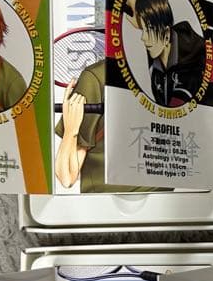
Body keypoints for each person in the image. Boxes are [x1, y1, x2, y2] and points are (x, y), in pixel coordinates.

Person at [54, 59, 156, 193]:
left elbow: (66, 177)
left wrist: (70, 129)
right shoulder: (97, 77)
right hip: (114, 198)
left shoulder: (97, 76)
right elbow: (67, 178)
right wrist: (71, 130)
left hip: (110, 196)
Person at [128, 0, 206, 107]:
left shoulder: (189, 68)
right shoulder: (158, 52)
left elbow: (175, 108)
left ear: (167, 35)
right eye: (143, 29)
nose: (143, 37)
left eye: (149, 30)